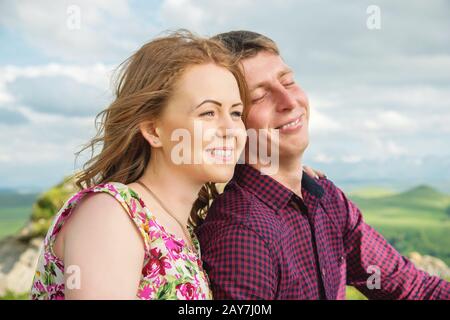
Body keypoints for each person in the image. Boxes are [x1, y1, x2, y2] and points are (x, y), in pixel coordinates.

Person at [195, 30, 450, 300]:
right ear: (232, 122)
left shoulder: (325, 198)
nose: (289, 101)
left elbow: (408, 286)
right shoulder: (240, 234)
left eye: (289, 82)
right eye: (259, 97)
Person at [30, 30, 249, 300]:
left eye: (236, 113)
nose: (231, 129)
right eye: (208, 112)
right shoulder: (112, 213)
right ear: (153, 130)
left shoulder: (182, 229)